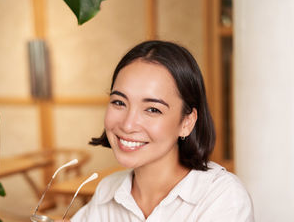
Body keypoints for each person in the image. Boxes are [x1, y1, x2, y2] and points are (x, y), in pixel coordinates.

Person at [69, 40, 253, 221]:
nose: (128, 125)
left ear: (187, 122)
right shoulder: (108, 192)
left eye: (152, 109)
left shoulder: (222, 198)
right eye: (119, 102)